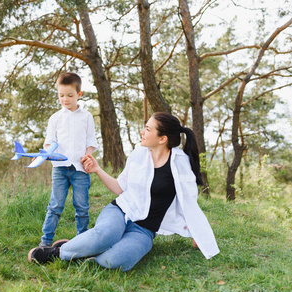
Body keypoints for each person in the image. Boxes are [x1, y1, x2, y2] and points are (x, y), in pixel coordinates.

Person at [28, 112, 219, 271]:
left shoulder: (180, 164)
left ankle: (85, 250)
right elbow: (120, 188)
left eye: (148, 129)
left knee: (117, 261)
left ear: (162, 139)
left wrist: (198, 234)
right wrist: (97, 169)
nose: (142, 132)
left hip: (144, 230)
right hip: (120, 211)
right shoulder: (138, 155)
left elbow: (188, 202)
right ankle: (58, 252)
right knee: (106, 235)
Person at [38, 72, 98, 247]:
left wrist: (88, 155)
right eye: (61, 95)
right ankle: (46, 241)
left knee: (82, 206)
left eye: (70, 95)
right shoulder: (55, 118)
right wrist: (47, 152)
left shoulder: (86, 117)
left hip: (80, 169)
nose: (65, 99)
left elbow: (91, 141)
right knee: (55, 205)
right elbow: (49, 142)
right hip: (60, 168)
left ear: (79, 95)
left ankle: (82, 240)